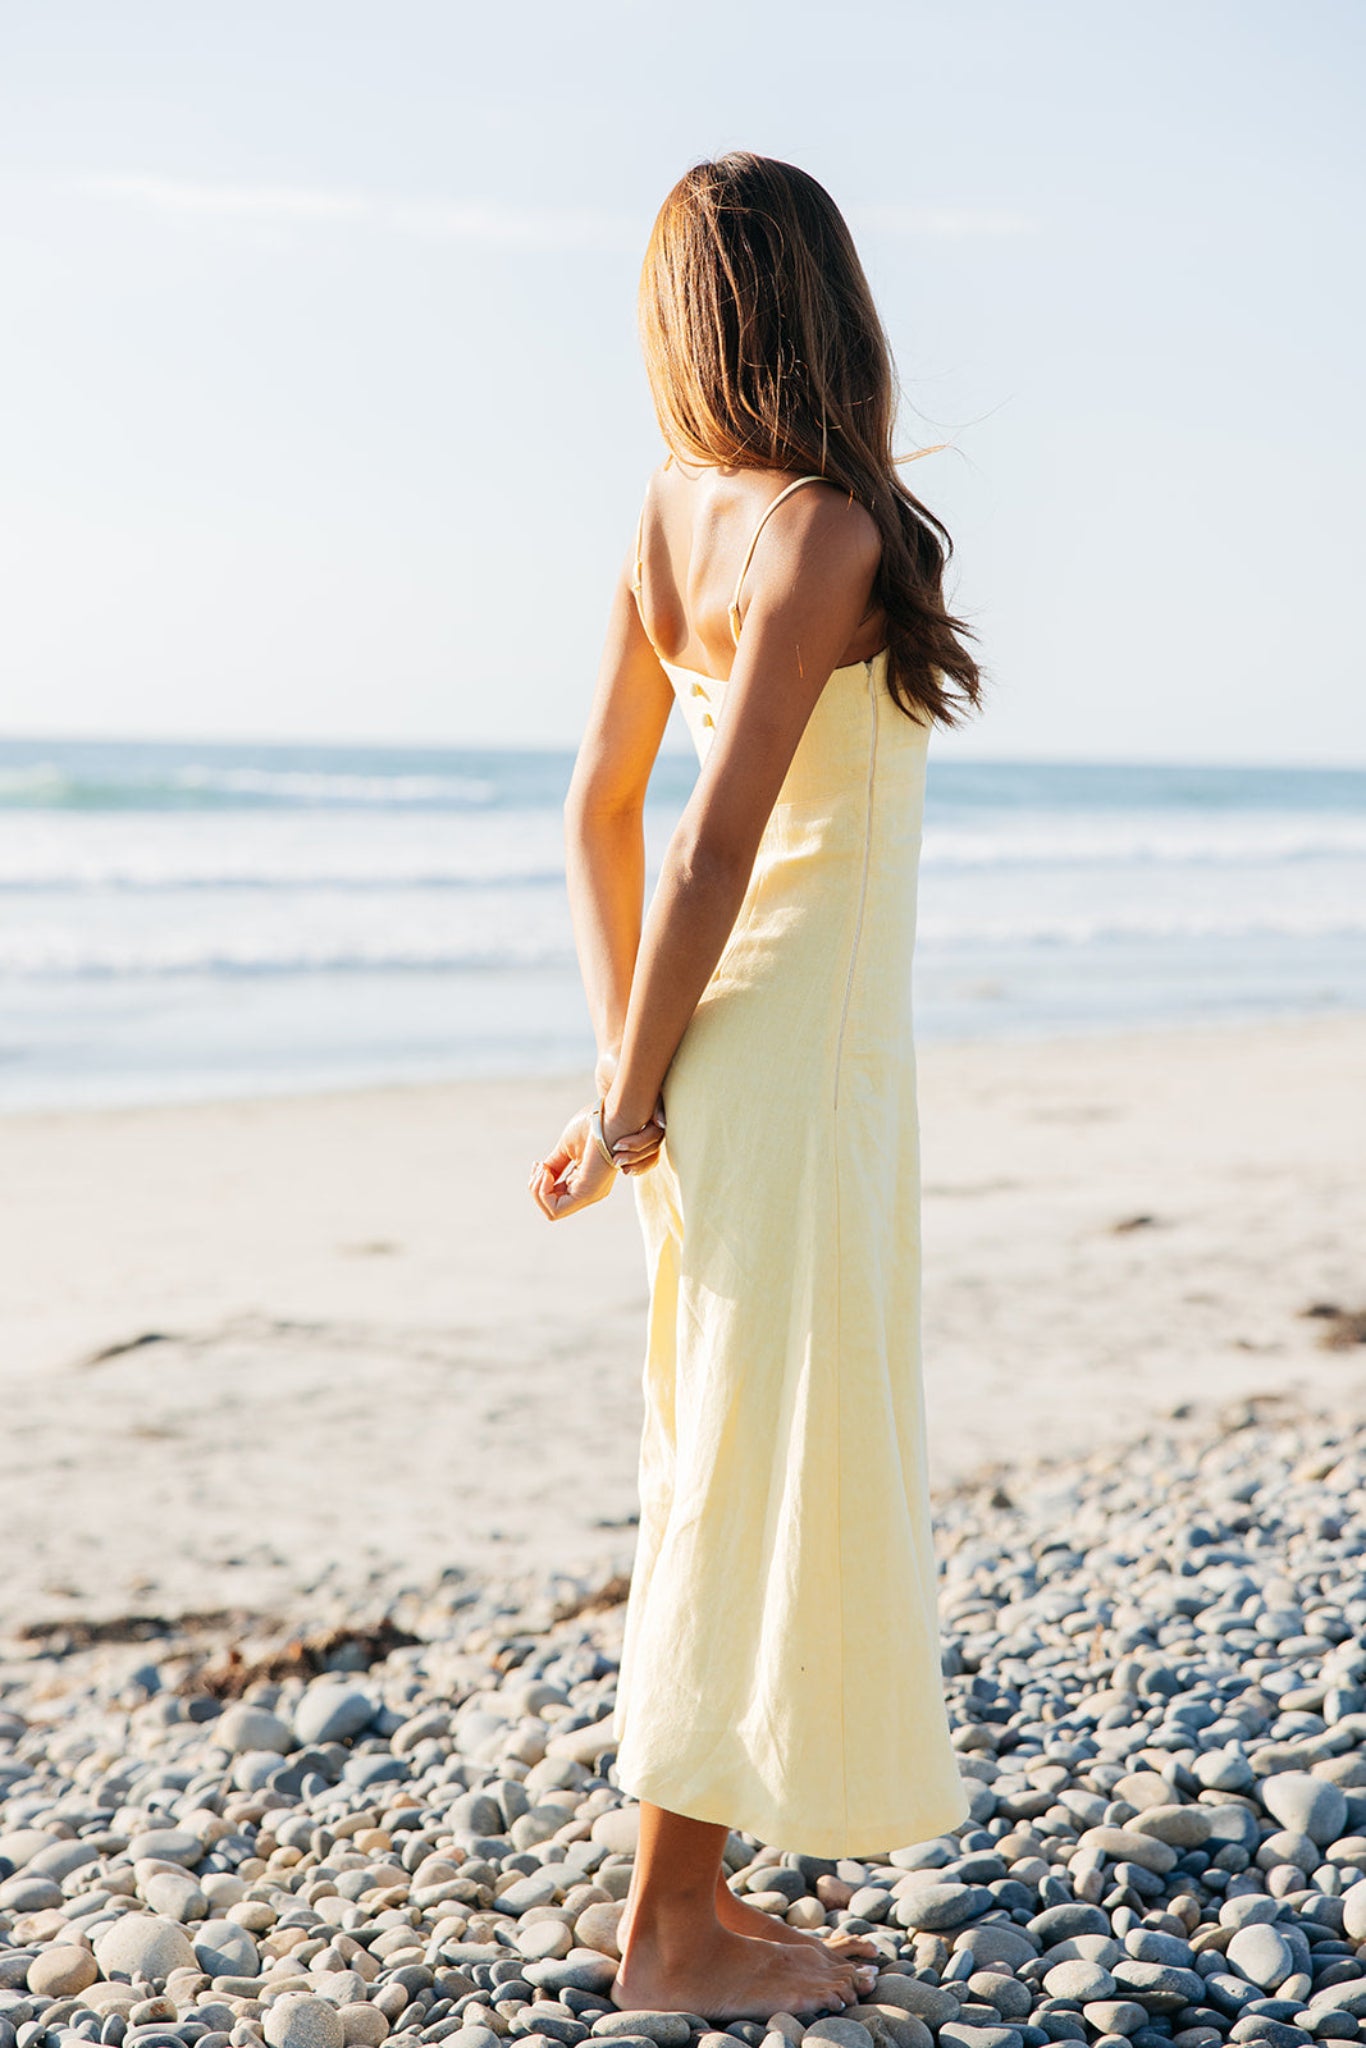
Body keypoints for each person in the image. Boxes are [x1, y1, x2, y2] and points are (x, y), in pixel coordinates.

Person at [529, 152, 983, 2022]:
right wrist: (634, 1097)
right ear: (832, 302)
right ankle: (673, 1935)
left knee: (720, 1452)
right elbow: (708, 852)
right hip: (785, 1060)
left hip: (721, 1052)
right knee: (743, 1466)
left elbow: (596, 816)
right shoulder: (822, 533)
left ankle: (692, 1905)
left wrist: (626, 1072)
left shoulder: (673, 515)